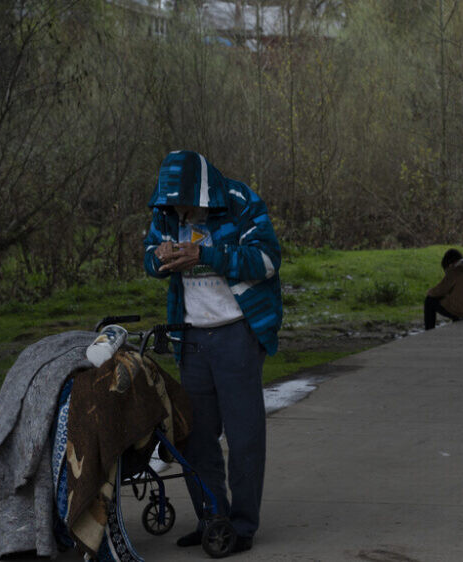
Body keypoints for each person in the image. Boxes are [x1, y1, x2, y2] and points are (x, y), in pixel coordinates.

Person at [143, 150, 282, 555]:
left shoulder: (240, 202)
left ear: (202, 192)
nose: (179, 210)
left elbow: (267, 260)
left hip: (236, 333)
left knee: (243, 437)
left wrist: (206, 255)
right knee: (196, 437)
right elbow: (149, 258)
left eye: (185, 202)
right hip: (191, 337)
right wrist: (160, 258)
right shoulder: (167, 213)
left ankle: (242, 526)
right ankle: (211, 521)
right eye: (173, 203)